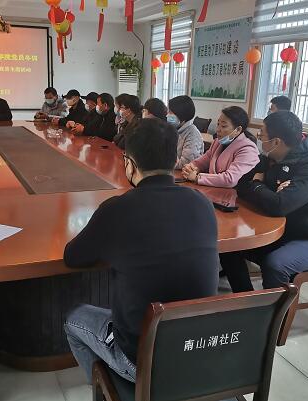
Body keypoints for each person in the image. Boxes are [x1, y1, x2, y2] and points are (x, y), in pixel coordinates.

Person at [63, 118, 219, 383]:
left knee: (74, 318)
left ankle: (108, 389)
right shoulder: (202, 202)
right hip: (197, 348)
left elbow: (73, 257)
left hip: (143, 359)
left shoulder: (117, 209)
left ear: (130, 163)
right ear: (174, 159)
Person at [220, 111, 308, 291]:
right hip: (287, 229)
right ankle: (246, 298)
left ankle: (273, 309)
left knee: (276, 264)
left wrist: (258, 184)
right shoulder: (273, 157)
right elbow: (240, 184)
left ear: (276, 142)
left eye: (262, 135)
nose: (259, 139)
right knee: (231, 246)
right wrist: (268, 192)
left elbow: (279, 205)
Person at [182, 106, 259, 188]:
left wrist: (197, 178)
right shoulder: (217, 142)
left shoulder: (248, 149)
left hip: (234, 194)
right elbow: (203, 161)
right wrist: (190, 167)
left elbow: (230, 179)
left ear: (238, 130)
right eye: (218, 124)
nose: (218, 129)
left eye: (223, 126)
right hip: (214, 190)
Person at [167, 95, 204, 169]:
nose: (167, 115)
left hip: (181, 174)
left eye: (171, 112)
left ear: (182, 115)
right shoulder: (172, 128)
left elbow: (185, 163)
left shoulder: (193, 134)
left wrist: (163, 161)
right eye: (168, 111)